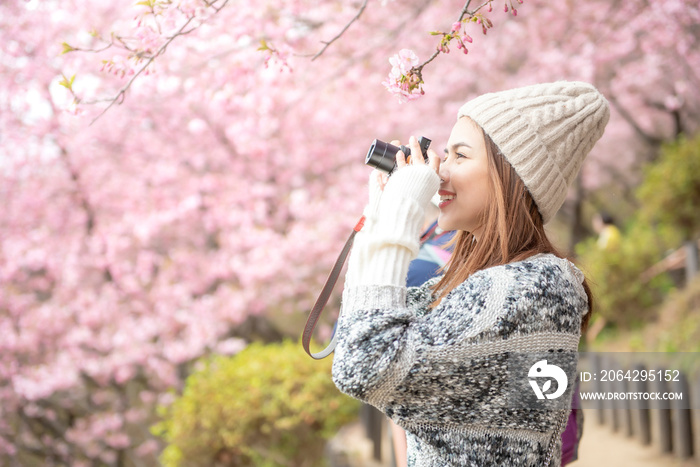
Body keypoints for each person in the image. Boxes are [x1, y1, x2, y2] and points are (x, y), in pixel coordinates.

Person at [332, 81, 609, 466]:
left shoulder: (535, 287)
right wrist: (382, 215)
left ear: (510, 176)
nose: (440, 172)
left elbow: (364, 364)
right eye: (445, 156)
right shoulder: (485, 282)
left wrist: (399, 218)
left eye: (460, 156)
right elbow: (359, 331)